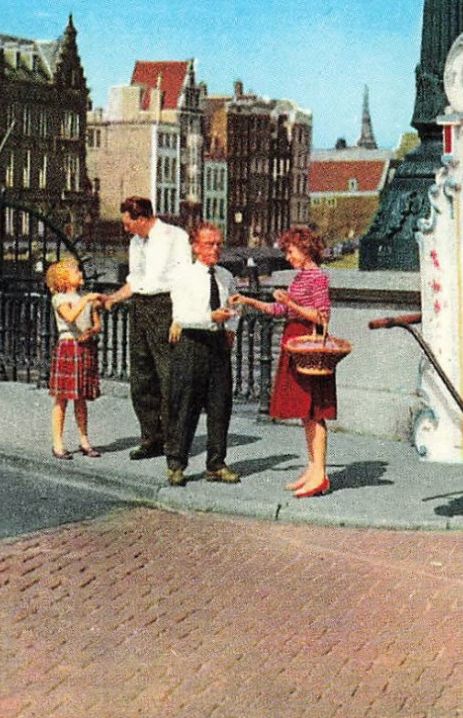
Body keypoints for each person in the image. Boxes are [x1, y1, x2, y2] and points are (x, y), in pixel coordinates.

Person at [231, 225, 334, 498]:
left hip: (307, 344)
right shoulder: (301, 277)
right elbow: (279, 310)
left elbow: (322, 317)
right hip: (294, 341)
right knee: (306, 411)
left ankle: (320, 474)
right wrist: (247, 300)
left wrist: (291, 301)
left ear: (305, 249)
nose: (287, 257)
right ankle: (313, 468)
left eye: (290, 251)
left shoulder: (317, 277)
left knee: (315, 411)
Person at [100, 196, 190, 459]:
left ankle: (175, 441)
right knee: (141, 376)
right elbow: (135, 281)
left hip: (165, 306)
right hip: (140, 307)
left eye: (128, 223)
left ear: (141, 218)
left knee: (169, 376)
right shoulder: (135, 242)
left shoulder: (175, 237)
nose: (125, 228)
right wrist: (112, 298)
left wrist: (179, 318)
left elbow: (184, 279)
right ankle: (151, 438)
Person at [164, 222, 241, 487]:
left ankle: (216, 464)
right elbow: (182, 315)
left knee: (220, 405)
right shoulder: (183, 275)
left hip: (218, 344)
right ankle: (176, 464)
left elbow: (235, 303)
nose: (216, 249)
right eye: (210, 244)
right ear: (196, 247)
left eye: (219, 243)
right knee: (186, 405)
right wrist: (210, 317)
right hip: (192, 343)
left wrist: (230, 326)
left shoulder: (225, 276)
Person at [45, 257, 104, 460]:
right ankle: (58, 442)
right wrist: (86, 300)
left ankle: (84, 439)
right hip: (68, 345)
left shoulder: (83, 298)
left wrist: (92, 330)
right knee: (61, 398)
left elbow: (97, 324)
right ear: (65, 278)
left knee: (81, 397)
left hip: (84, 346)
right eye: (76, 271)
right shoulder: (60, 299)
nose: (80, 274)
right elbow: (69, 317)